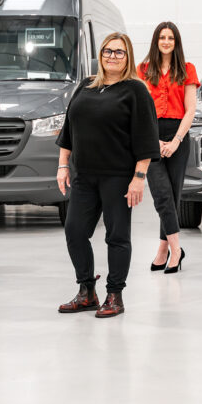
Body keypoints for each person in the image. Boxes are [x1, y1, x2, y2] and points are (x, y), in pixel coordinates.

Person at [56, 33, 159, 318]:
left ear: (128, 58)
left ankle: (115, 295)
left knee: (117, 236)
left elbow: (146, 139)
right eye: (108, 51)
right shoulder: (86, 86)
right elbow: (69, 131)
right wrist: (63, 164)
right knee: (75, 231)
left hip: (118, 177)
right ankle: (87, 291)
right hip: (84, 176)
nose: (112, 56)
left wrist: (139, 178)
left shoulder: (135, 90)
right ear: (100, 55)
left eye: (119, 52)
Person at [136, 22, 199, 273]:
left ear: (176, 42)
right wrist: (154, 140)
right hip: (151, 136)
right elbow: (140, 110)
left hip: (178, 137)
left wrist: (176, 141)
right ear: (156, 41)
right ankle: (176, 250)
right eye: (162, 37)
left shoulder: (187, 69)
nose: (166, 41)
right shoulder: (142, 70)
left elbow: (191, 109)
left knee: (172, 197)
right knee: (161, 194)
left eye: (170, 38)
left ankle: (163, 250)